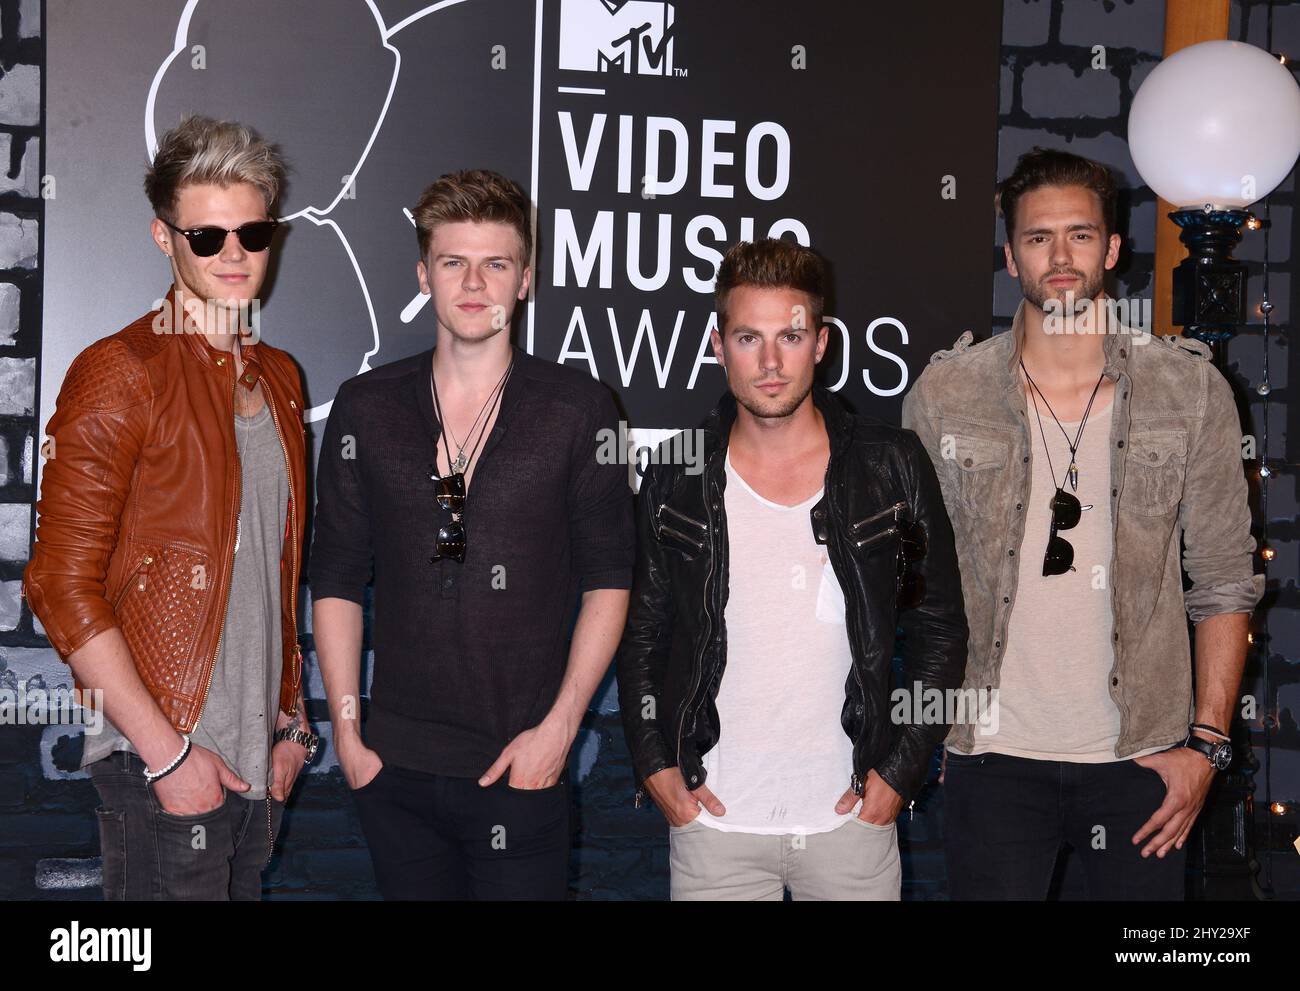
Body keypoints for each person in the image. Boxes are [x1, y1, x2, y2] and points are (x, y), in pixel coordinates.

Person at [903, 147, 1264, 900]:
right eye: (1038, 238)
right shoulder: (947, 392)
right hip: (992, 759)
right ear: (1010, 256)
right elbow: (920, 578)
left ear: (1111, 247)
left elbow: (1225, 580)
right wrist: (930, 718)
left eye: (1078, 234)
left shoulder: (1189, 389)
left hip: (1144, 762)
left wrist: (1207, 745)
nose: (1060, 256)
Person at [310, 169, 634, 900]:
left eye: (497, 263)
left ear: (526, 279)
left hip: (522, 766)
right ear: (424, 274)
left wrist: (560, 729)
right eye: (454, 262)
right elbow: (334, 575)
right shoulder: (367, 407)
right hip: (392, 770)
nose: (475, 283)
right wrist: (350, 734)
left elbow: (610, 579)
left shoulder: (579, 409)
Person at [617, 238, 968, 900]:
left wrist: (900, 770)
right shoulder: (677, 473)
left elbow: (940, 630)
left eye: (791, 336)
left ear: (822, 341)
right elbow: (643, 634)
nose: (771, 362)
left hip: (851, 825)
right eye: (749, 338)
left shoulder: (891, 464)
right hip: (713, 823)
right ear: (719, 345)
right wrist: (654, 762)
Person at [24, 115, 314, 900]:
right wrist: (168, 754)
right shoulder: (121, 369)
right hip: (163, 763)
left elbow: (278, 568)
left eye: (251, 232)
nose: (232, 254)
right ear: (164, 237)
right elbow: (58, 583)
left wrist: (292, 722)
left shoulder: (282, 380)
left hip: (257, 769)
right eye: (206, 235)